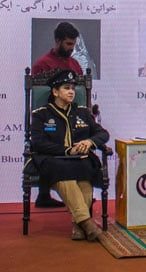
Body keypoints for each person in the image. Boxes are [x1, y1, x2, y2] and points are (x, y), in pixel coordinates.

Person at [30, 69, 109, 241]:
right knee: (63, 170)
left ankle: (78, 225)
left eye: (73, 88)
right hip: (53, 160)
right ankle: (87, 223)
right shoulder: (41, 114)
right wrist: (67, 150)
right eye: (66, 88)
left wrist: (89, 142)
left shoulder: (82, 112)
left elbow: (103, 134)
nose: (71, 91)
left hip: (79, 160)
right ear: (55, 91)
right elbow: (38, 142)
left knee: (85, 170)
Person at [32, 21, 83, 206]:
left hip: (72, 118)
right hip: (50, 120)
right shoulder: (42, 65)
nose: (71, 48)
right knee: (52, 135)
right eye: (68, 44)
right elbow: (39, 100)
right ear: (58, 41)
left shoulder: (75, 64)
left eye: (73, 44)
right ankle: (46, 195)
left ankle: (79, 194)